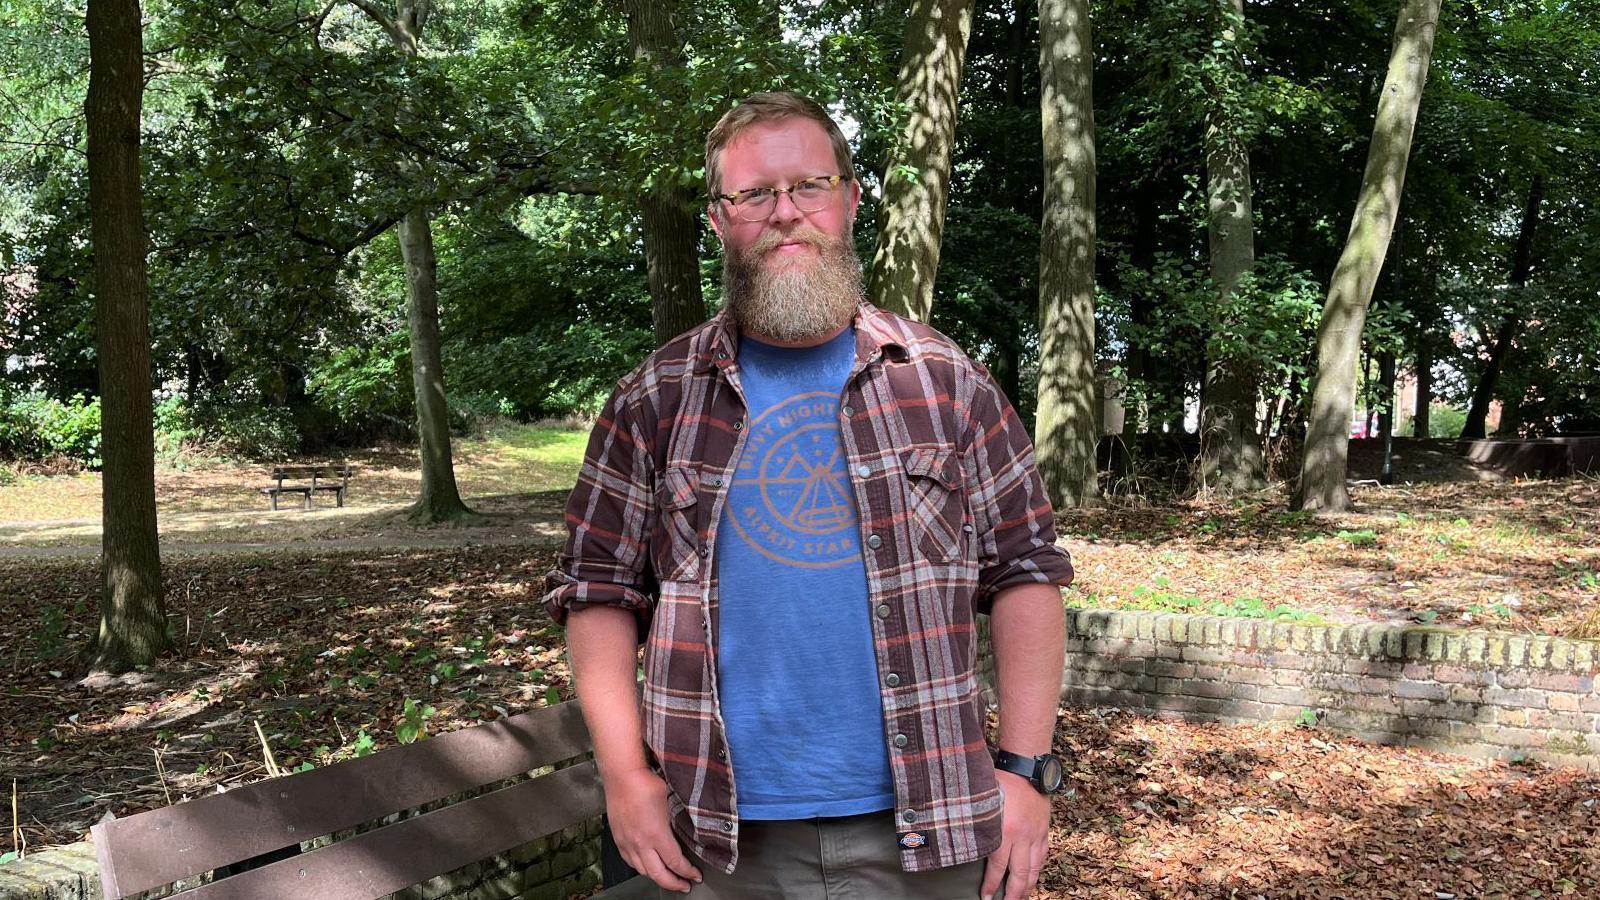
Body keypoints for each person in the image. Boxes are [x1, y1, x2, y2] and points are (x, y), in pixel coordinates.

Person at [543, 91, 1072, 900]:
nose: (785, 213)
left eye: (808, 187)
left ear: (851, 200)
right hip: (712, 839)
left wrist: (1028, 770)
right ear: (720, 219)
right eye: (753, 194)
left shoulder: (944, 382)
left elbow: (1026, 570)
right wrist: (624, 775)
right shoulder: (654, 397)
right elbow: (598, 591)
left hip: (928, 828)